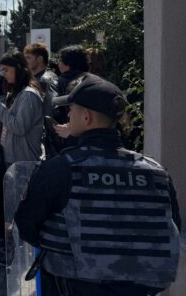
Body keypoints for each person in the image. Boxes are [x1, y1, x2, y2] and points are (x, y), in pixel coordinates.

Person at [14, 74, 180, 296]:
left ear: (87, 117)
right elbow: (171, 225)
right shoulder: (156, 172)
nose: (68, 115)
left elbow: (27, 224)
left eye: (71, 109)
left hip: (71, 286)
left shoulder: (61, 169)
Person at [0, 52, 44, 166]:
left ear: (18, 69)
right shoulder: (18, 92)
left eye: (6, 70)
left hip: (24, 159)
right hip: (15, 157)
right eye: (2, 71)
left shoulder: (28, 95)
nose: (3, 74)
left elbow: (19, 127)